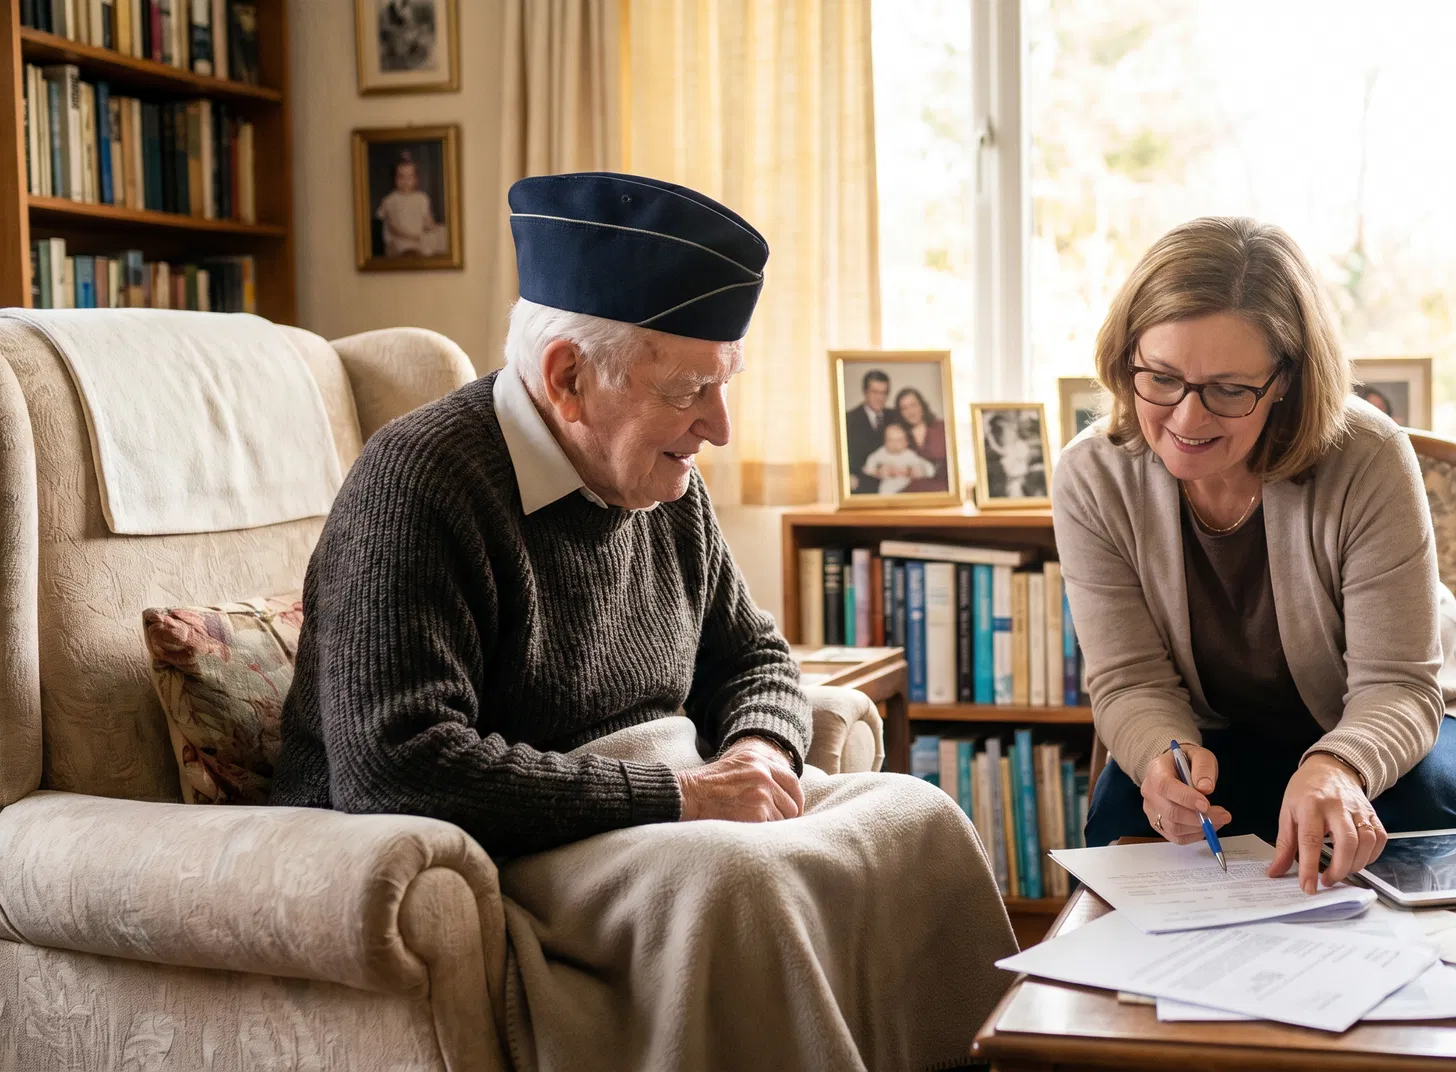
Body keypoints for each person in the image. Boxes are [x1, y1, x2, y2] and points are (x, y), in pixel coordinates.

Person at [273, 172, 1014, 1069]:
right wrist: (683, 797)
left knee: (918, 818)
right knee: (740, 883)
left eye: (725, 382)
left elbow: (753, 656)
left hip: (666, 811)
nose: (721, 426)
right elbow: (396, 768)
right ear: (568, 378)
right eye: (688, 389)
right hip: (515, 842)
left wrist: (757, 752)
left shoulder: (664, 482)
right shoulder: (419, 482)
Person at [1054, 216, 1456, 894]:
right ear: (1125, 355)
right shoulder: (1092, 475)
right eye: (1160, 378)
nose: (1188, 420)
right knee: (1120, 812)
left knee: (1405, 820)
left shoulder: (1368, 456)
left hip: (1434, 715)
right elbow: (1130, 680)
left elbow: (1398, 686)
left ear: (1284, 380)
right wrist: (1164, 755)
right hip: (1229, 734)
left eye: (1229, 389)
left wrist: (1338, 764)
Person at [375, 152, 447, 257]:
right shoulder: (390, 200)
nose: (406, 181)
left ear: (415, 179)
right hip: (400, 238)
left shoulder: (422, 198)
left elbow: (427, 221)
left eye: (410, 177)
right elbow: (392, 227)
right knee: (403, 248)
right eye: (401, 177)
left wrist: (435, 228)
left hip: (418, 237)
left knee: (443, 233)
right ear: (395, 179)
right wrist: (411, 237)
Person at [844, 369, 894, 493]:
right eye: (875, 392)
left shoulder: (895, 416)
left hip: (892, 483)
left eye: (884, 393)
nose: (880, 398)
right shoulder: (848, 419)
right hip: (861, 485)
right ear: (865, 392)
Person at [892, 386, 949, 493]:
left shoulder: (942, 427)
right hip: (911, 494)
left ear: (922, 405)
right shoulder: (898, 435)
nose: (910, 411)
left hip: (942, 491)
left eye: (913, 405)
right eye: (904, 408)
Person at [862, 419, 936, 494]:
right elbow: (868, 466)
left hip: (908, 485)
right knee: (884, 491)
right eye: (890, 440)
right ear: (884, 441)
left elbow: (928, 468)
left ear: (906, 443)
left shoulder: (909, 454)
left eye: (899, 440)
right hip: (887, 484)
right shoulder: (882, 452)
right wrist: (877, 472)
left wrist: (913, 470)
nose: (894, 444)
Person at [985, 411, 1039, 498]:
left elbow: (997, 449)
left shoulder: (1020, 446)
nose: (1004, 435)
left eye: (1006, 431)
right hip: (1014, 481)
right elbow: (997, 449)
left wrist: (989, 435)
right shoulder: (1012, 448)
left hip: (1018, 480)